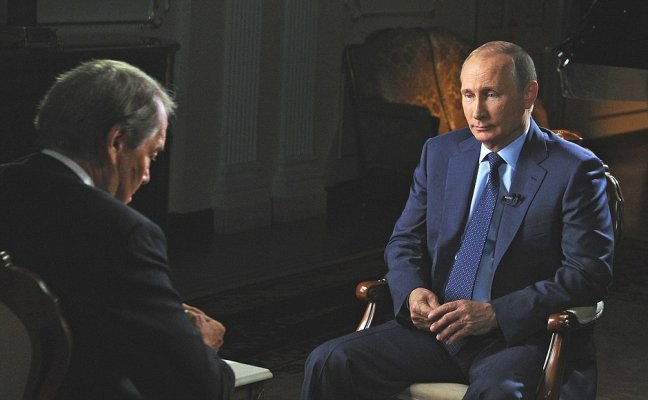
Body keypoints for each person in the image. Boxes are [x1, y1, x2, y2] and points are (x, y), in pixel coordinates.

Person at [301, 41, 614, 399]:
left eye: (491, 94)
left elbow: (588, 274)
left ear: (528, 94)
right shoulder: (440, 153)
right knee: (329, 361)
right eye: (468, 95)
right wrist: (413, 292)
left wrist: (495, 314)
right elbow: (405, 242)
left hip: (518, 338)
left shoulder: (575, 169)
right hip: (437, 330)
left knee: (497, 393)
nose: (476, 111)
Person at [0, 60, 234, 399]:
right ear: (117, 142)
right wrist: (203, 343)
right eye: (151, 155)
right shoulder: (123, 235)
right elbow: (199, 387)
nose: (147, 175)